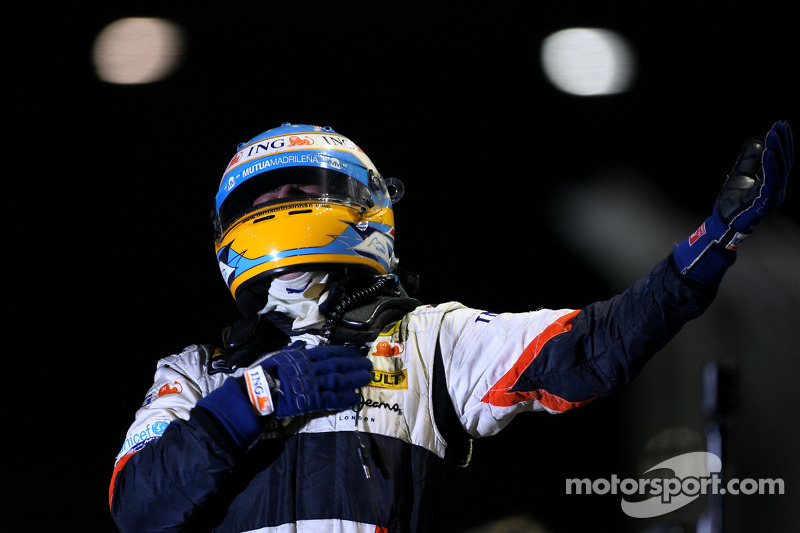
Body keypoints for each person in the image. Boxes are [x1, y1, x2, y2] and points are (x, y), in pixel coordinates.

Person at [108, 121, 793, 532]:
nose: (280, 205)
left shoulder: (433, 338)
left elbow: (589, 347)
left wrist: (702, 253)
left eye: (299, 189)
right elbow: (138, 509)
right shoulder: (194, 373)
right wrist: (252, 401)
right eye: (263, 197)